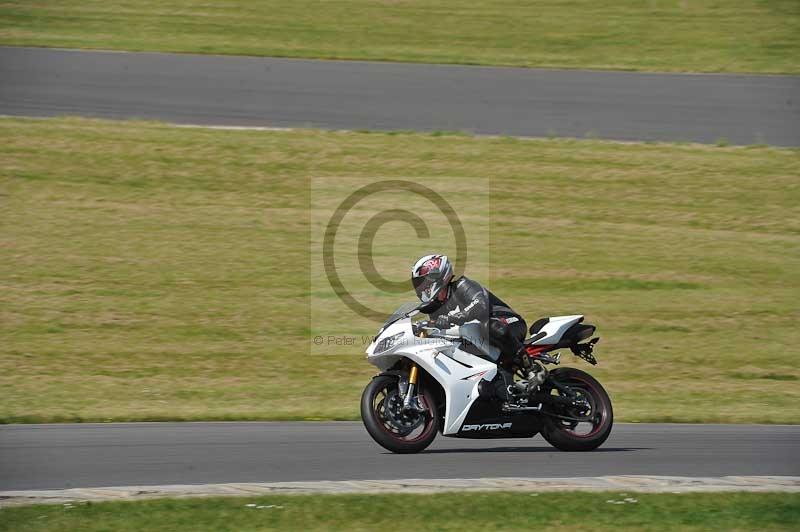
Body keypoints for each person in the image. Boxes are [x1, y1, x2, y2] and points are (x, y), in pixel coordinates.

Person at [411, 254, 527, 367]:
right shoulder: (436, 305)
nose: (421, 287)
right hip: (482, 338)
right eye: (419, 283)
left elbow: (480, 305)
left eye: (424, 282)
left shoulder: (462, 285)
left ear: (438, 277)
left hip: (509, 322)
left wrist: (452, 318)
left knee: (490, 326)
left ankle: (529, 366)